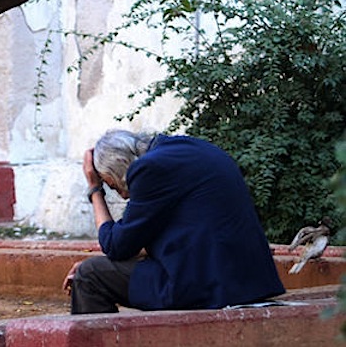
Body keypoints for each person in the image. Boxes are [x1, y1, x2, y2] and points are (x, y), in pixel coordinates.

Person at [62, 129, 285, 314]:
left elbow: (115, 246)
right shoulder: (192, 149)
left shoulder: (149, 169)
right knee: (97, 269)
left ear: (120, 164)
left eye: (113, 186)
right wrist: (111, 265)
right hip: (246, 280)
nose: (122, 195)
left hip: (207, 287)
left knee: (89, 275)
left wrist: (95, 190)